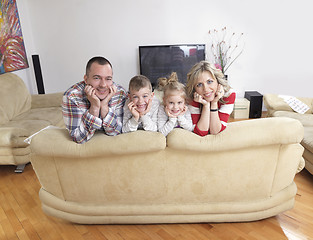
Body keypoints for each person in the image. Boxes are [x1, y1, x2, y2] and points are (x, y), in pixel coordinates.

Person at [62, 56, 127, 143]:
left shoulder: (120, 93)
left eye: (108, 79)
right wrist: (94, 107)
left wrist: (104, 106)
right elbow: (78, 138)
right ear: (86, 79)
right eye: (97, 78)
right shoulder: (71, 97)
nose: (103, 85)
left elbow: (117, 132)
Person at [185, 61, 236, 136]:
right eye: (199, 84)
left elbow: (215, 131)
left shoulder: (228, 95)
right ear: (194, 88)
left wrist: (214, 103)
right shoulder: (194, 97)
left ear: (217, 81)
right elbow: (201, 132)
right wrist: (206, 106)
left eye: (209, 81)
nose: (205, 89)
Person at [157, 72, 193, 136]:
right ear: (164, 100)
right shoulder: (162, 109)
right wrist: (172, 118)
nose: (175, 107)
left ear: (184, 101)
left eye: (179, 102)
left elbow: (190, 128)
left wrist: (180, 116)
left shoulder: (185, 109)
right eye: (171, 103)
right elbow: (161, 133)